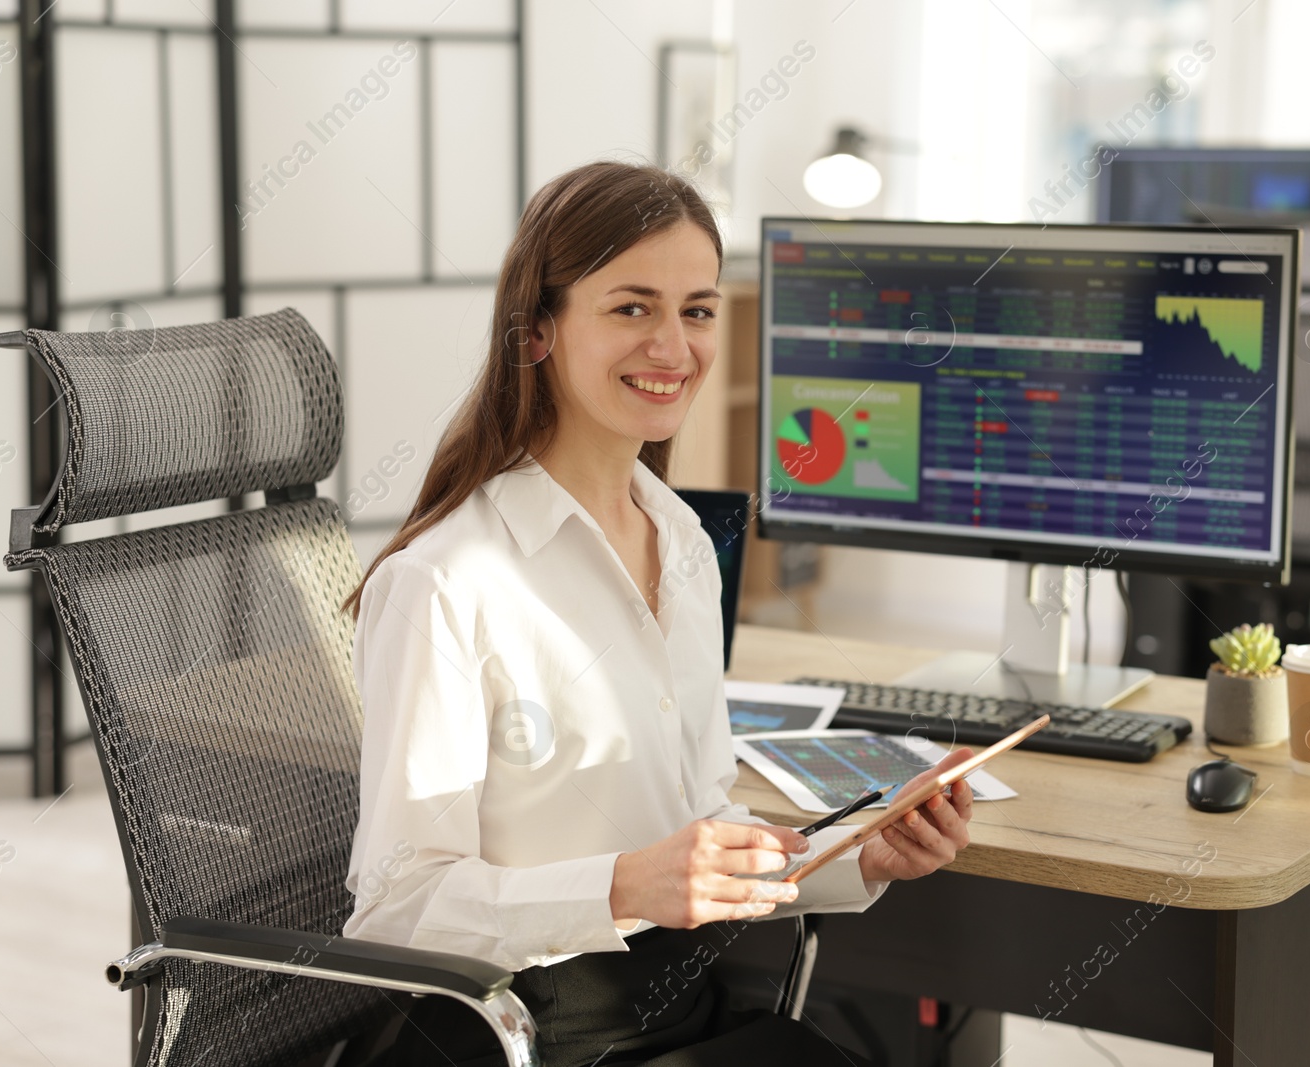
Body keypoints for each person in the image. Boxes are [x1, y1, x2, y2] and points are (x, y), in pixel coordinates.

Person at [338, 161, 977, 1066]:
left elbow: (701, 822)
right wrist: (624, 884)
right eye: (631, 307)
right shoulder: (444, 581)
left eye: (698, 310)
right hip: (520, 1034)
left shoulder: (681, 539)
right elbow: (395, 912)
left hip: (674, 1007)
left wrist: (857, 857)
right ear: (537, 332)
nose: (673, 347)